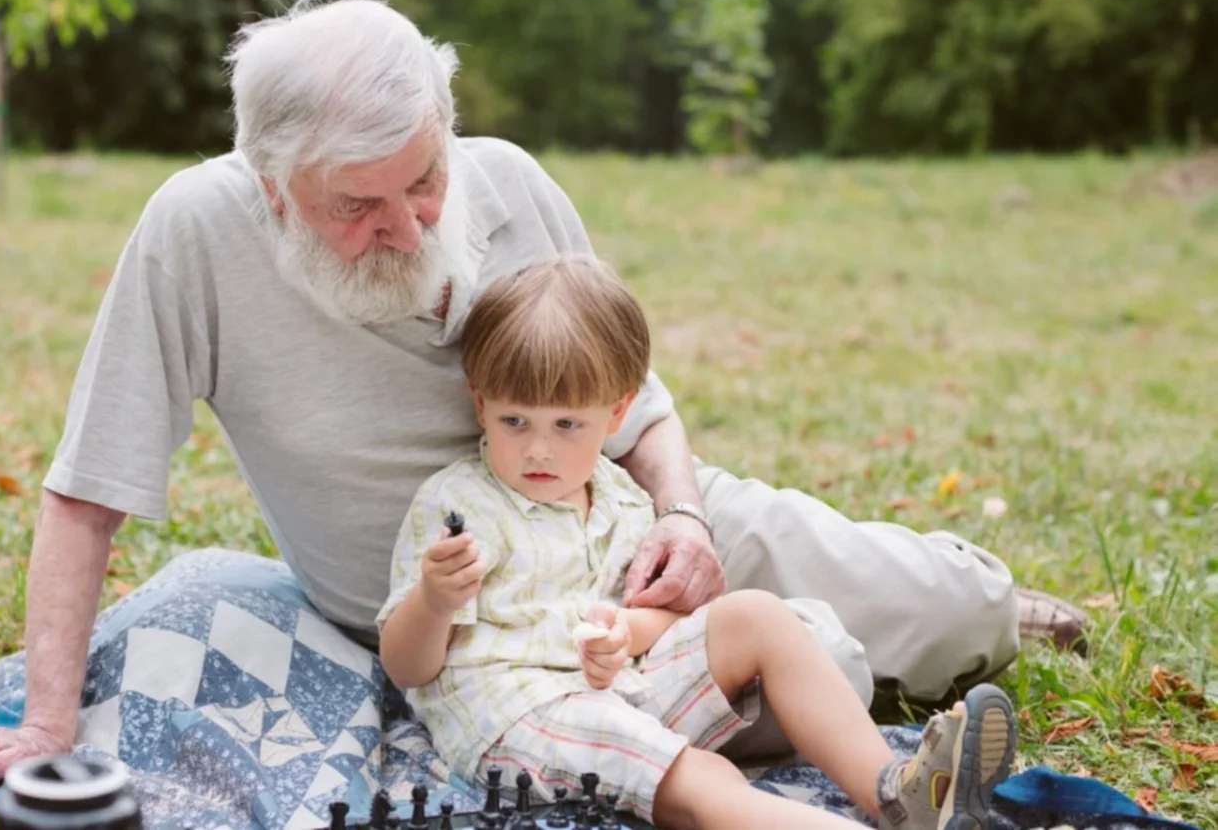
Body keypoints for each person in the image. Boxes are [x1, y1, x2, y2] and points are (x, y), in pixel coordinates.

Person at [0, 0, 1083, 800]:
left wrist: (683, 518)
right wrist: (46, 725)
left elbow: (643, 411)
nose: (411, 222)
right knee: (815, 679)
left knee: (952, 616)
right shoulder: (194, 233)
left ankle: (990, 600)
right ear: (272, 185)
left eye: (424, 178)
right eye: (359, 205)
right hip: (484, 631)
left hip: (626, 529)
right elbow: (86, 494)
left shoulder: (510, 182)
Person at [376, 254, 1020, 830]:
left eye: (567, 423)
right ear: (479, 402)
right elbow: (407, 667)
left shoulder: (625, 497)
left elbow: (663, 618)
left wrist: (625, 632)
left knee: (754, 613)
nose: (538, 448)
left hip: (619, 686)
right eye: (514, 420)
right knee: (702, 779)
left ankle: (895, 791)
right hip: (516, 715)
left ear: (618, 413)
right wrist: (433, 600)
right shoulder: (458, 505)